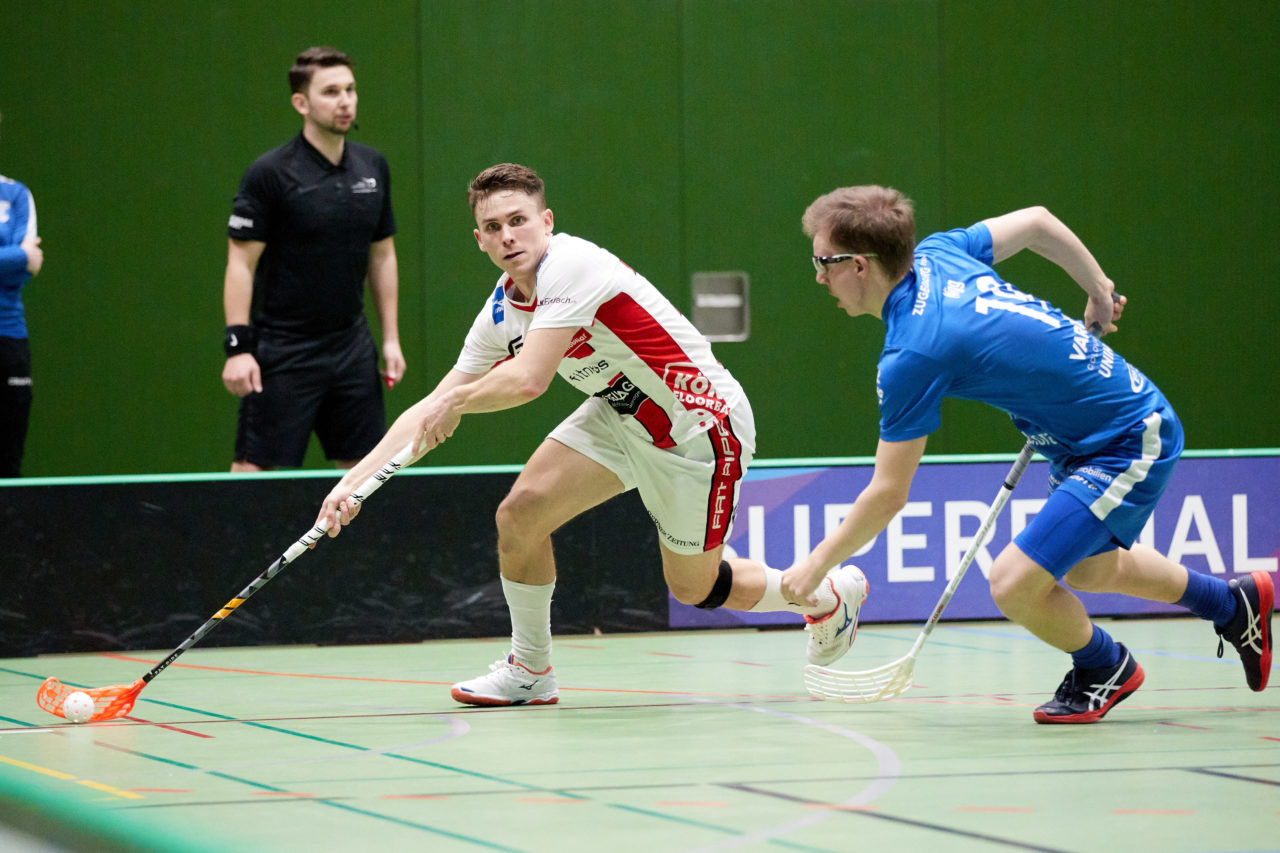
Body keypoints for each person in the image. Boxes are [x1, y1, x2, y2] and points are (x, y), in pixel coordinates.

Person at [315, 163, 868, 706]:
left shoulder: (573, 265)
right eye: (493, 227)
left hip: (696, 427)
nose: (508, 236)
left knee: (694, 587)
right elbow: (431, 404)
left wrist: (457, 404)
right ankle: (530, 671)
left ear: (546, 220)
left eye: (519, 220)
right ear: (479, 239)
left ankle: (823, 597)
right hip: (621, 414)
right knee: (520, 513)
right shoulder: (502, 311)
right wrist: (353, 483)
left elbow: (529, 380)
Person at [782, 185, 1273, 723]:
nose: (818, 277)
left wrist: (815, 564)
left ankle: (1103, 667)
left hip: (1128, 436)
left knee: (1013, 582)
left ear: (858, 264)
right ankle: (1231, 603)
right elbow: (1038, 222)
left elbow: (888, 492)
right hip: (1076, 439)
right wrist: (1098, 290)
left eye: (822, 263)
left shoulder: (913, 353)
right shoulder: (938, 253)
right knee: (1087, 570)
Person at [221, 46, 405, 472]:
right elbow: (240, 265)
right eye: (331, 92)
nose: (345, 101)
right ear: (301, 103)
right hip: (282, 350)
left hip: (351, 347)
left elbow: (382, 255)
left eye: (351, 89)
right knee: (255, 479)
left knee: (365, 476)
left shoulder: (372, 166)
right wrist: (237, 348)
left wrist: (390, 338)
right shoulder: (269, 174)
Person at [0, 110, 43, 478]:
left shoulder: (16, 195)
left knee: (9, 460)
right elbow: (23, 257)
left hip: (10, 338)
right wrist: (17, 257)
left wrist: (22, 260)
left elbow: (28, 266)